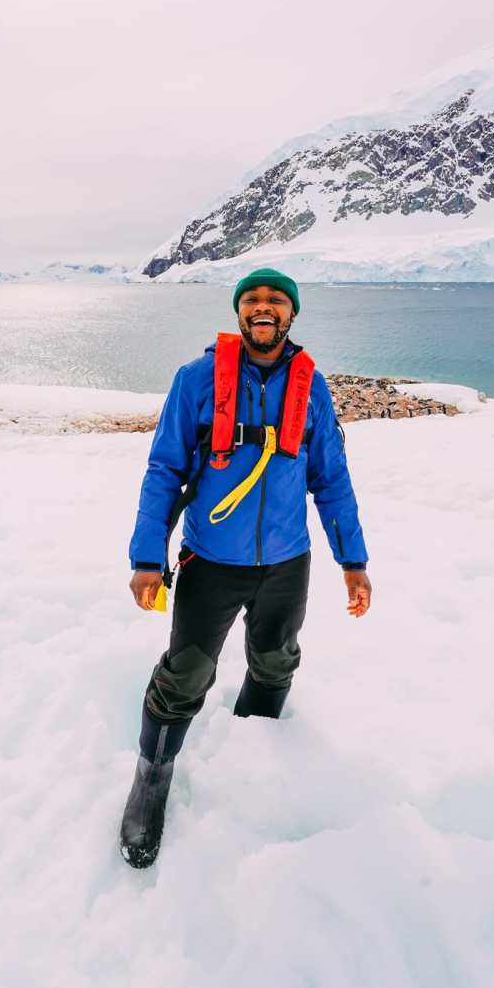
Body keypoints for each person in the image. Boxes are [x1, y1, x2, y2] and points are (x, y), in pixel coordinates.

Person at [121, 268, 371, 867]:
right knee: (184, 676)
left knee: (276, 660)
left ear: (291, 316)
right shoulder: (197, 379)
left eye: (276, 301)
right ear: (239, 313)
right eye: (253, 300)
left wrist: (352, 560)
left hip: (288, 563)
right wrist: (146, 556)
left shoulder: (313, 389)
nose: (264, 308)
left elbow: (330, 479)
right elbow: (164, 472)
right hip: (210, 562)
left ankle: (252, 757)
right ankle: (152, 776)